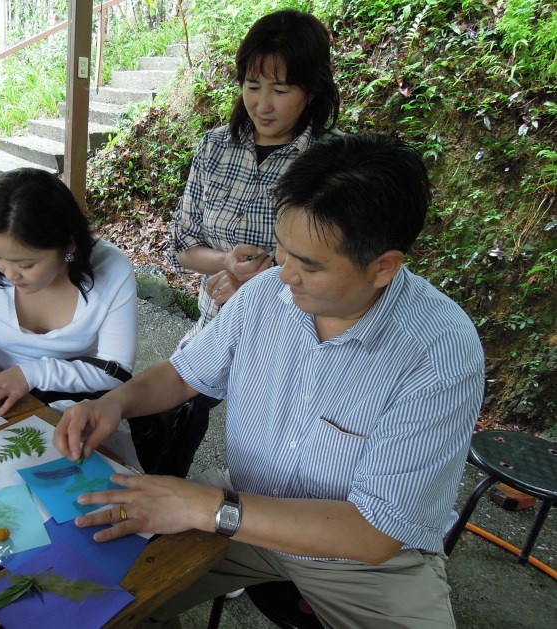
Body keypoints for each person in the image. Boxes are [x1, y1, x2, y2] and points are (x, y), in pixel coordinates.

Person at [55, 134, 485, 627]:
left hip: (364, 563)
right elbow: (183, 374)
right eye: (282, 250)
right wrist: (114, 404)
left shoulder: (438, 352)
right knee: (97, 592)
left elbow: (376, 533)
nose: (285, 274)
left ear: (383, 267)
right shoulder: (264, 294)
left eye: (310, 265)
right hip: (243, 501)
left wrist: (206, 507)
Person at [163, 10, 341, 472]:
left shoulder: (334, 163)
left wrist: (260, 282)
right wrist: (226, 262)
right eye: (252, 85)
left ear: (311, 91)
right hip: (215, 321)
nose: (262, 104)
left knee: (276, 451)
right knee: (175, 413)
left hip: (295, 337)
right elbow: (182, 246)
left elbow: (341, 269)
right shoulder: (214, 148)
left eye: (280, 90)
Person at [0, 168, 140, 468]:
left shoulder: (111, 268)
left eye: (26, 264)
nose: (8, 273)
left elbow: (115, 370)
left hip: (82, 406)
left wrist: (31, 373)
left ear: (68, 245)